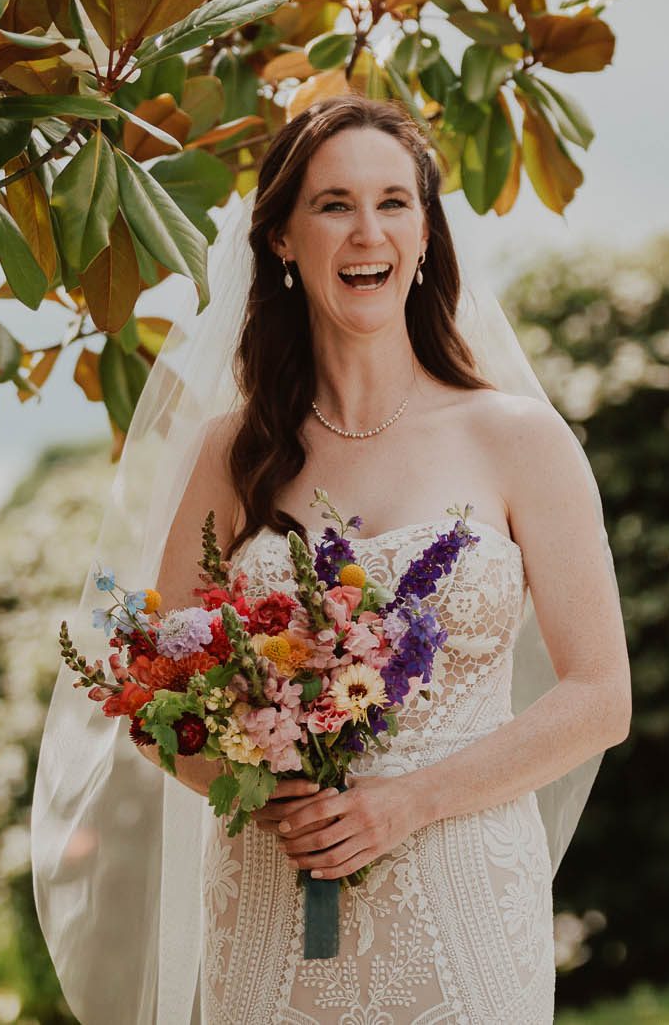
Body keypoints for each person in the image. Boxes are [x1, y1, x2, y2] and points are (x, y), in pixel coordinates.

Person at [32, 94, 631, 1024]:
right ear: (280, 239)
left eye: (395, 202)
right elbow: (151, 698)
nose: (368, 230)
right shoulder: (232, 451)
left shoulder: (518, 439)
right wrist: (261, 783)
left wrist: (408, 801)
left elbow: (600, 695)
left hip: (464, 902)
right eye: (333, 204)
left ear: (425, 234)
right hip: (276, 901)